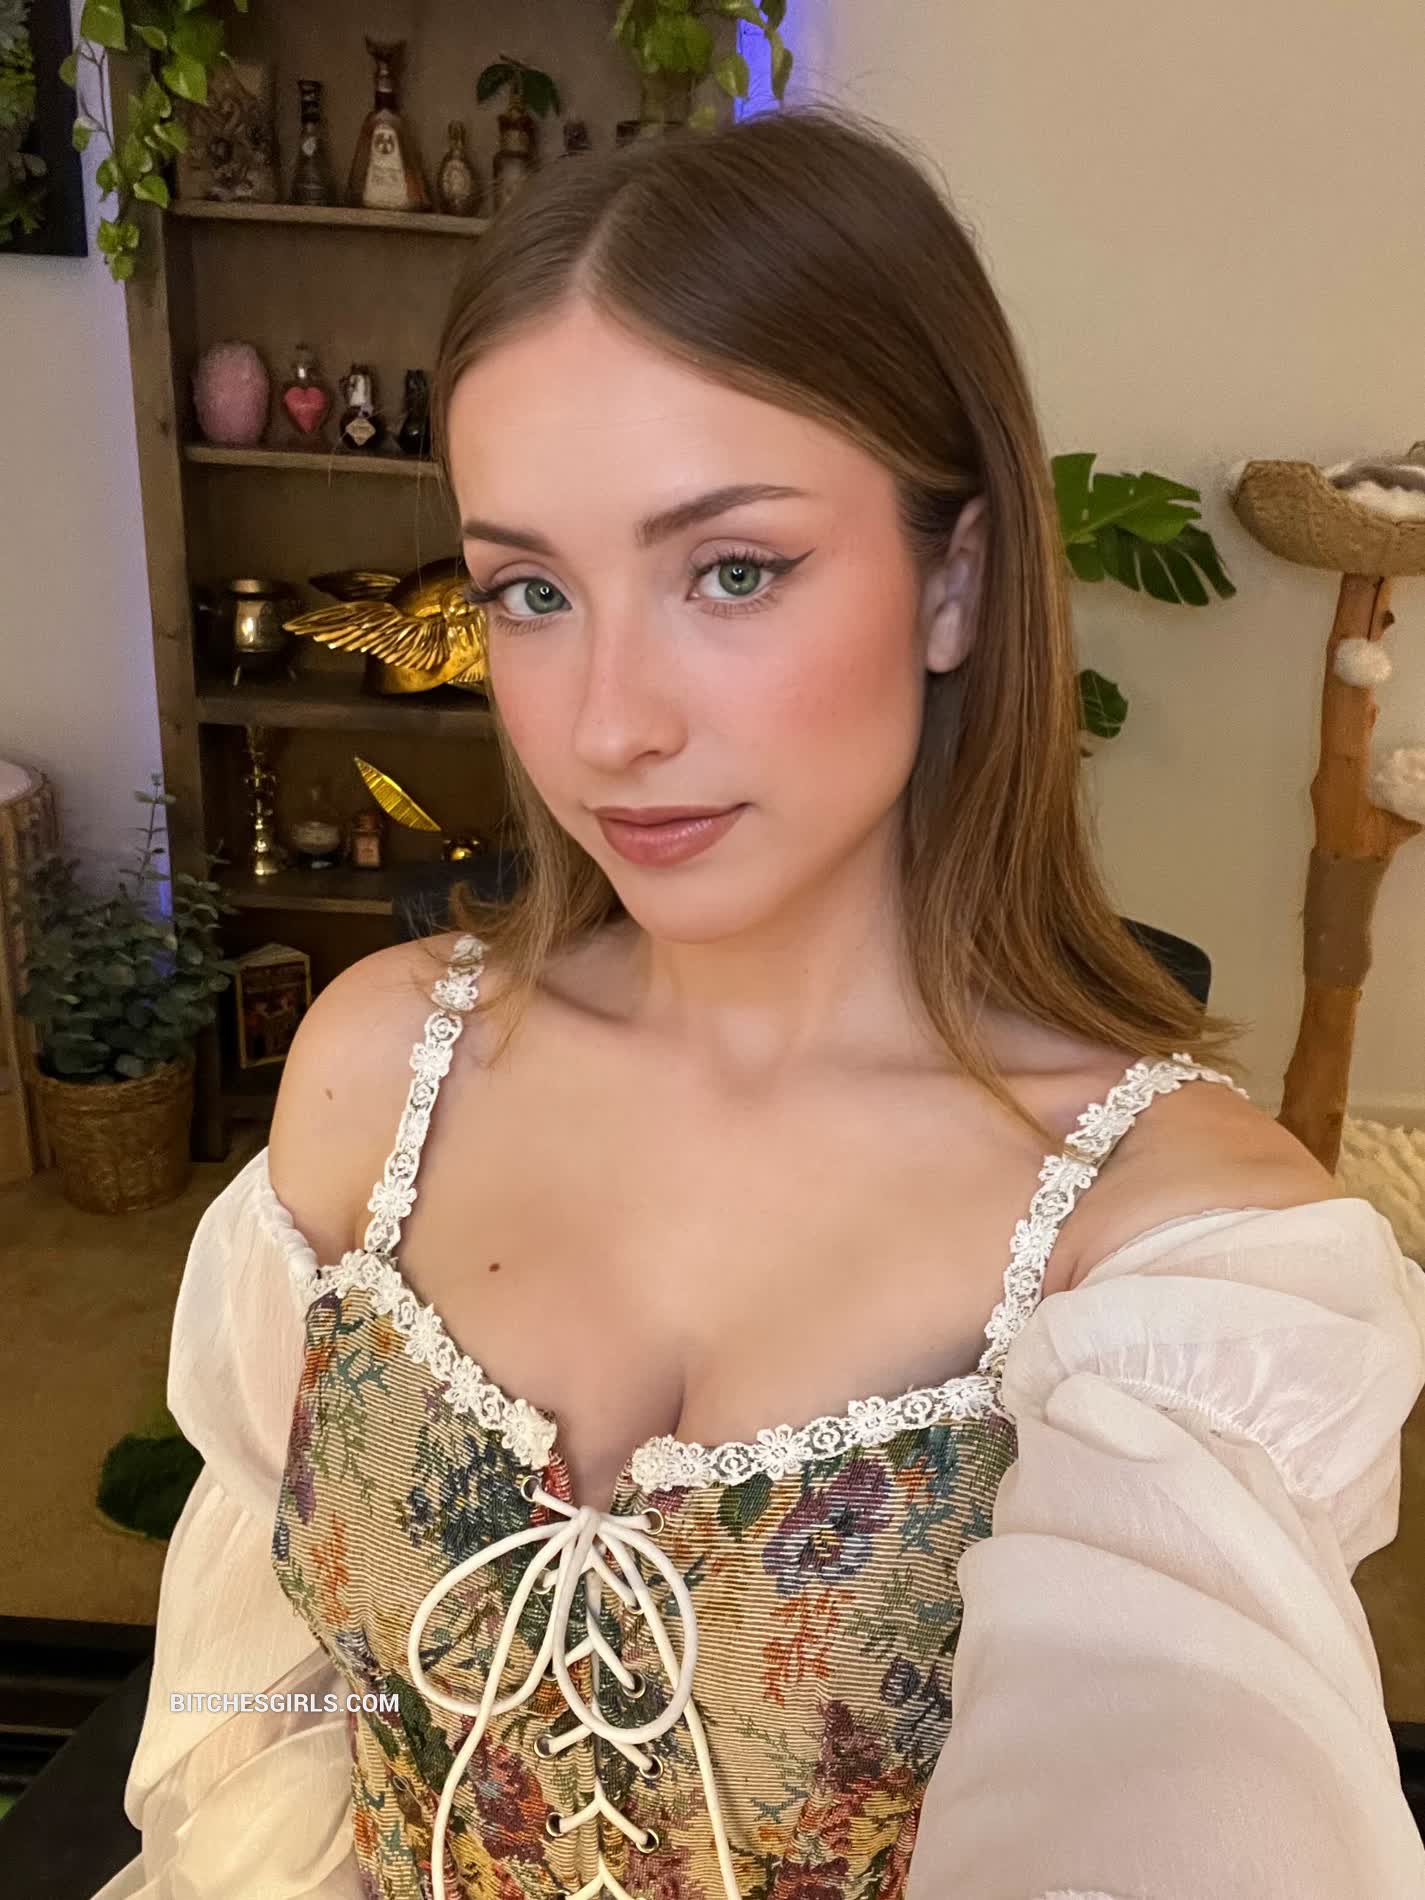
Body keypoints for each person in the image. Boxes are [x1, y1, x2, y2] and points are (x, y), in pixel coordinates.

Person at [96, 106, 1425, 1900]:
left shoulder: (1175, 1255)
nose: (608, 723)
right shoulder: (380, 1065)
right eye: (529, 592)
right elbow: (261, 1701)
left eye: (731, 570)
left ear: (953, 581)